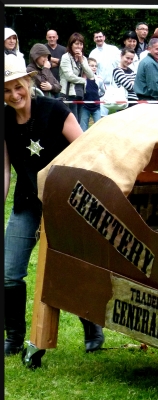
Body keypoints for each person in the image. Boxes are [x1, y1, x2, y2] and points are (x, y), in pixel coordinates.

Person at [4, 54, 105, 357]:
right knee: (9, 271)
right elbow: (4, 169)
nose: (14, 95)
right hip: (27, 200)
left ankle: (91, 325)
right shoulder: (4, 119)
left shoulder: (55, 110)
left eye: (17, 86)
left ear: (29, 82)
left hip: (66, 200)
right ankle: (13, 337)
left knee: (72, 265)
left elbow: (87, 152)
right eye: (6, 90)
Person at [59, 32, 95, 122]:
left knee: (78, 121)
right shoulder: (65, 57)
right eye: (76, 44)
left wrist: (82, 61)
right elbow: (69, 76)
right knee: (72, 121)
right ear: (71, 45)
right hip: (68, 93)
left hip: (80, 92)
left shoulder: (84, 58)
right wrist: (83, 80)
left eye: (81, 44)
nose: (79, 46)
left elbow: (91, 75)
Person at [134, 38, 158, 102]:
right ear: (149, 49)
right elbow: (154, 86)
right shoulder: (150, 63)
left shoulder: (149, 61)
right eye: (157, 49)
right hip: (151, 101)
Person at [79, 57, 105, 131]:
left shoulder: (99, 79)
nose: (94, 68)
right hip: (84, 106)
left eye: (95, 66)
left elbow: (103, 91)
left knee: (99, 126)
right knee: (83, 127)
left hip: (96, 106)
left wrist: (96, 96)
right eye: (92, 65)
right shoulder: (81, 79)